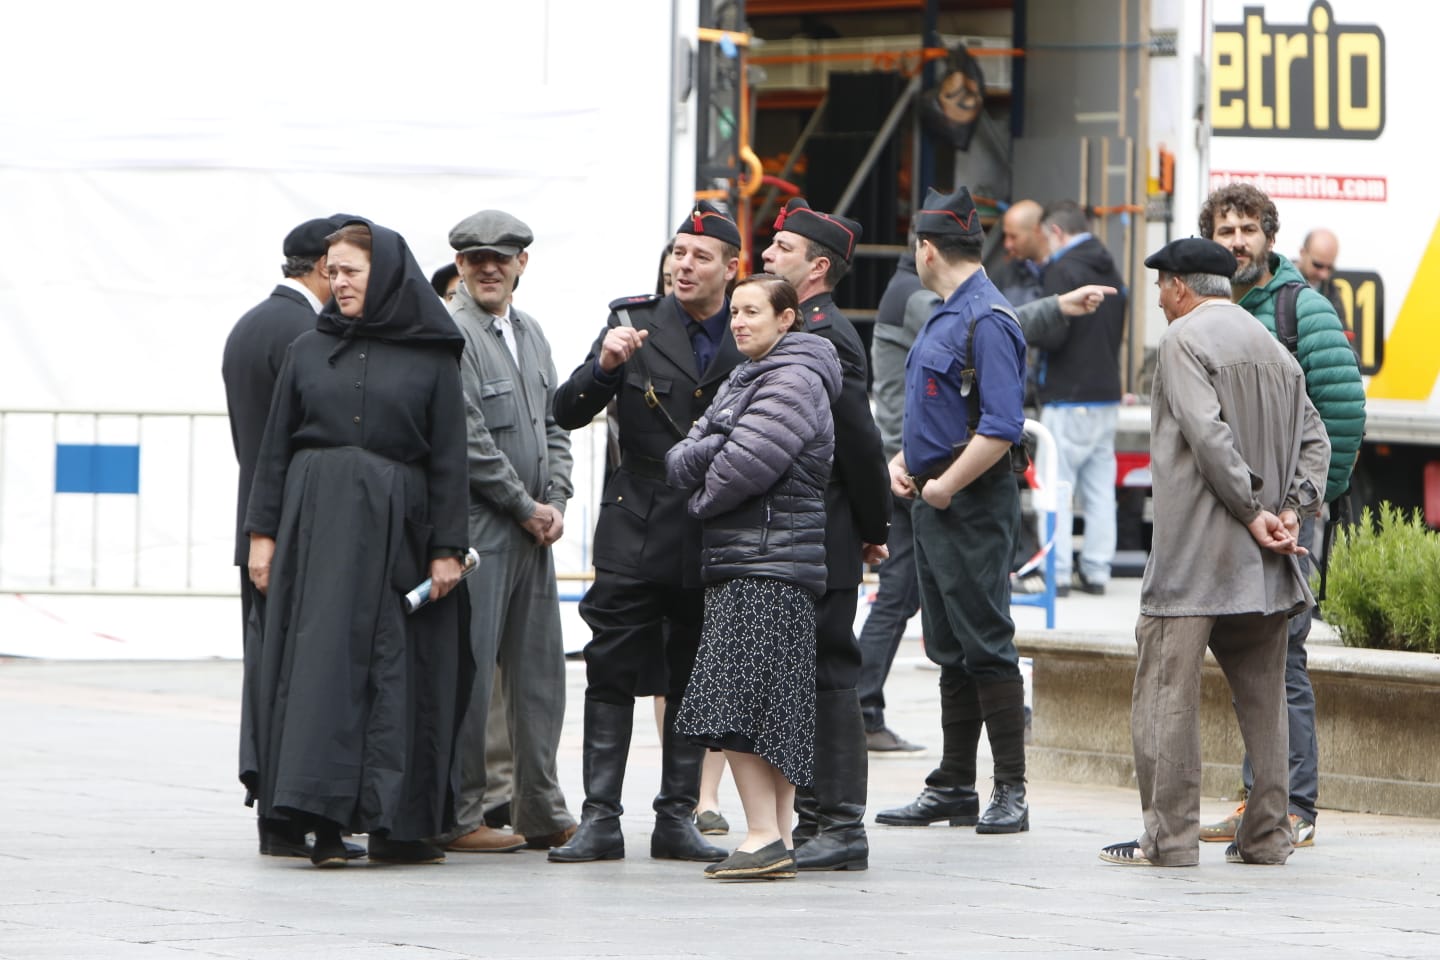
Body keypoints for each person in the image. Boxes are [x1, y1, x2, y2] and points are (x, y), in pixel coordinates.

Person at [243, 218, 473, 868]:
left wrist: (447, 547)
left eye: (350, 271)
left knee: (398, 669)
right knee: (321, 667)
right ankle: (317, 820)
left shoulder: (432, 354)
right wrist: (262, 537)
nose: (336, 281)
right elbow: (274, 450)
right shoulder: (306, 349)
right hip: (318, 527)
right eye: (332, 270)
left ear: (387, 275)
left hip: (403, 528)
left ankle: (397, 822)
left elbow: (450, 460)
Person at [1099, 237, 1330, 868]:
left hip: (1193, 558)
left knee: (1165, 697)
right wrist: (1291, 509)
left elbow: (1208, 438)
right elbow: (1317, 439)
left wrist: (1256, 512)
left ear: (1179, 287)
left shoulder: (1182, 341)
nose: (1160, 300)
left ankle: (1169, 841)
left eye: (1160, 289)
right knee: (1265, 704)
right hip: (1265, 565)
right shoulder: (1274, 350)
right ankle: (1266, 836)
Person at [548, 201, 744, 865]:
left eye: (700, 258)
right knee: (610, 673)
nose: (683, 267)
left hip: (708, 530)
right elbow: (567, 410)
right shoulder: (630, 321)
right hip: (635, 526)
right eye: (676, 256)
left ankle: (675, 819)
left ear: (731, 269)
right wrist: (604, 366)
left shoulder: (747, 330)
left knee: (692, 677)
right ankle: (600, 818)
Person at [859, 245, 1116, 748]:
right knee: (924, 611)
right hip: (921, 474)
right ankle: (873, 713)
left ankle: (986, 774)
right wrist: (1056, 307)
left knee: (959, 622)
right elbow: (989, 324)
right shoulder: (920, 301)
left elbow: (991, 340)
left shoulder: (945, 302)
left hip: (936, 477)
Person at [1197, 184, 1365, 848]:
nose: (1238, 240)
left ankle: (1295, 807)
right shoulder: (1217, 307)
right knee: (1251, 658)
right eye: (1226, 229)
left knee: (1286, 657)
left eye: (1248, 229)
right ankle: (1258, 800)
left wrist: (1307, 505)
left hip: (1292, 517)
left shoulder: (1302, 309)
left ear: (1269, 236)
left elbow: (1343, 414)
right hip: (1241, 515)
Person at [666, 273, 843, 880]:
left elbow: (738, 467)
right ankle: (776, 838)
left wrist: (703, 480)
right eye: (735, 312)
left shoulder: (790, 378)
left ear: (786, 319)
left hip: (765, 560)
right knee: (768, 703)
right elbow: (681, 455)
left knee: (742, 702)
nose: (738, 322)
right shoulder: (750, 376)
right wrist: (713, 439)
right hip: (760, 558)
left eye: (752, 312)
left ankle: (765, 834)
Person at [876, 185, 1031, 836]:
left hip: (968, 501)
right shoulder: (949, 311)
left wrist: (945, 485)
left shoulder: (986, 317)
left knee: (986, 642)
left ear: (927, 249)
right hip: (933, 497)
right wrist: (905, 463)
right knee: (948, 646)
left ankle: (1011, 791)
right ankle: (953, 785)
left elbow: (1002, 425)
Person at [222, 215, 362, 861]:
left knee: (266, 676)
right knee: (296, 681)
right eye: (335, 268)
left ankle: (273, 814)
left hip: (255, 526)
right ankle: (284, 816)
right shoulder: (308, 333)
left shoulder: (250, 324)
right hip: (291, 532)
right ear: (317, 270)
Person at [440, 210, 578, 854]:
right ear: (460, 266)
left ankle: (540, 808)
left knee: (539, 675)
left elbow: (553, 426)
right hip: (481, 529)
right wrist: (526, 505)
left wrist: (555, 498)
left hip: (530, 530)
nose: (488, 268)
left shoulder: (531, 332)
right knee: (471, 676)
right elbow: (465, 438)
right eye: (474, 259)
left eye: (501, 257)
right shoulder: (453, 334)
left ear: (523, 262)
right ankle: (463, 813)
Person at [760, 197, 890, 872]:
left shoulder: (827, 335)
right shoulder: (799, 328)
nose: (765, 255)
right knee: (807, 678)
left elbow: (861, 445)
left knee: (831, 677)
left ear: (815, 268)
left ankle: (841, 827)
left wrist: (872, 527)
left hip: (826, 529)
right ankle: (815, 822)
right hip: (807, 531)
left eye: (781, 248)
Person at [1030, 200, 1128, 596]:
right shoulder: (1112, 268)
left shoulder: (1061, 269)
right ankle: (1097, 570)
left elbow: (1053, 332)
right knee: (1100, 489)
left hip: (1067, 395)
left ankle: (1057, 570)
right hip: (1105, 394)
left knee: (1056, 486)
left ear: (1056, 232)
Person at [997, 199, 1047, 307]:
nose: (1007, 244)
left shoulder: (1062, 272)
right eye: (1006, 235)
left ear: (1037, 231)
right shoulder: (1006, 273)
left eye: (1013, 237)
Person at [1295, 228, 1345, 317]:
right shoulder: (1281, 282)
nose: (1324, 274)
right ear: (1302, 253)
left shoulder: (1331, 290)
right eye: (1318, 265)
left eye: (1330, 267)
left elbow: (1342, 327)